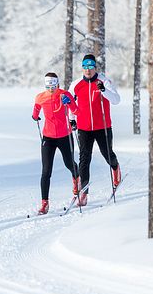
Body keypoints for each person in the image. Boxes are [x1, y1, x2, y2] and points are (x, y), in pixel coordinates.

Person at [69, 54, 121, 206]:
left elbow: (116, 100)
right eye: (85, 67)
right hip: (84, 128)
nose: (88, 70)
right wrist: (72, 119)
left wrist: (104, 91)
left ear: (95, 68)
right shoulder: (76, 85)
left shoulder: (104, 81)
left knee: (107, 154)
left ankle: (115, 167)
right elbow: (71, 103)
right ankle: (84, 193)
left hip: (103, 127)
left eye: (90, 67)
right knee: (84, 160)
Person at [32, 72, 80, 215]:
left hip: (65, 136)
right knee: (46, 171)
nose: (51, 89)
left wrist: (69, 103)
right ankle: (44, 203)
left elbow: (76, 111)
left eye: (53, 85)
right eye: (48, 86)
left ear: (57, 83)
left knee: (69, 163)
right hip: (48, 137)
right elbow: (35, 113)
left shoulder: (64, 94)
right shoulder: (40, 97)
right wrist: (35, 115)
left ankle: (77, 181)